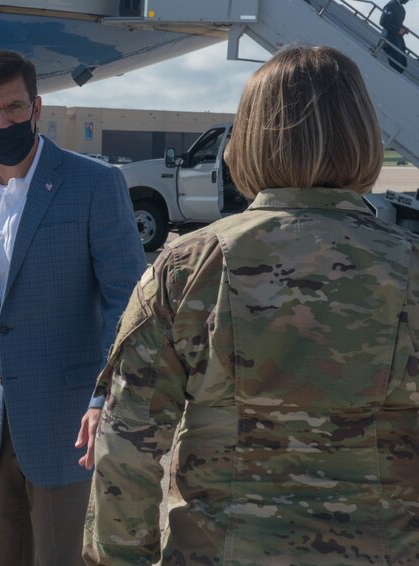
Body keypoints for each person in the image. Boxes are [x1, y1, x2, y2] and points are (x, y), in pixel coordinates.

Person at [83, 45, 419, 564]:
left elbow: (127, 445)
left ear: (249, 139)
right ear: (363, 135)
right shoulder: (408, 265)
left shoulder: (189, 267)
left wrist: (120, 557)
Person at [0, 50, 145, 565]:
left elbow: (128, 303)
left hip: (66, 429)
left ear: (37, 108)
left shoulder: (93, 184)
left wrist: (104, 397)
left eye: (15, 107)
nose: (5, 120)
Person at [381, 0, 410, 72]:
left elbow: (396, 23)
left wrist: (403, 28)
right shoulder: (391, 5)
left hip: (396, 41)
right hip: (389, 40)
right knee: (397, 67)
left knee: (403, 64)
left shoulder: (402, 10)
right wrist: (398, 30)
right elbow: (383, 21)